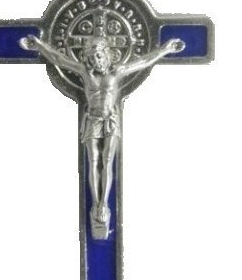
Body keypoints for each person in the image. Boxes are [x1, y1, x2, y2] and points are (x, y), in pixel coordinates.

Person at [20, 33, 185, 238]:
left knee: (107, 162)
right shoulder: (85, 72)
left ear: (107, 54)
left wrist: (165, 50)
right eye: (92, 57)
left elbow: (143, 62)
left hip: (111, 120)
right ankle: (96, 204)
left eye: (99, 55)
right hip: (93, 120)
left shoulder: (117, 72)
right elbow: (59, 59)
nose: (96, 60)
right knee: (93, 162)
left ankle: (103, 204)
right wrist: (39, 46)